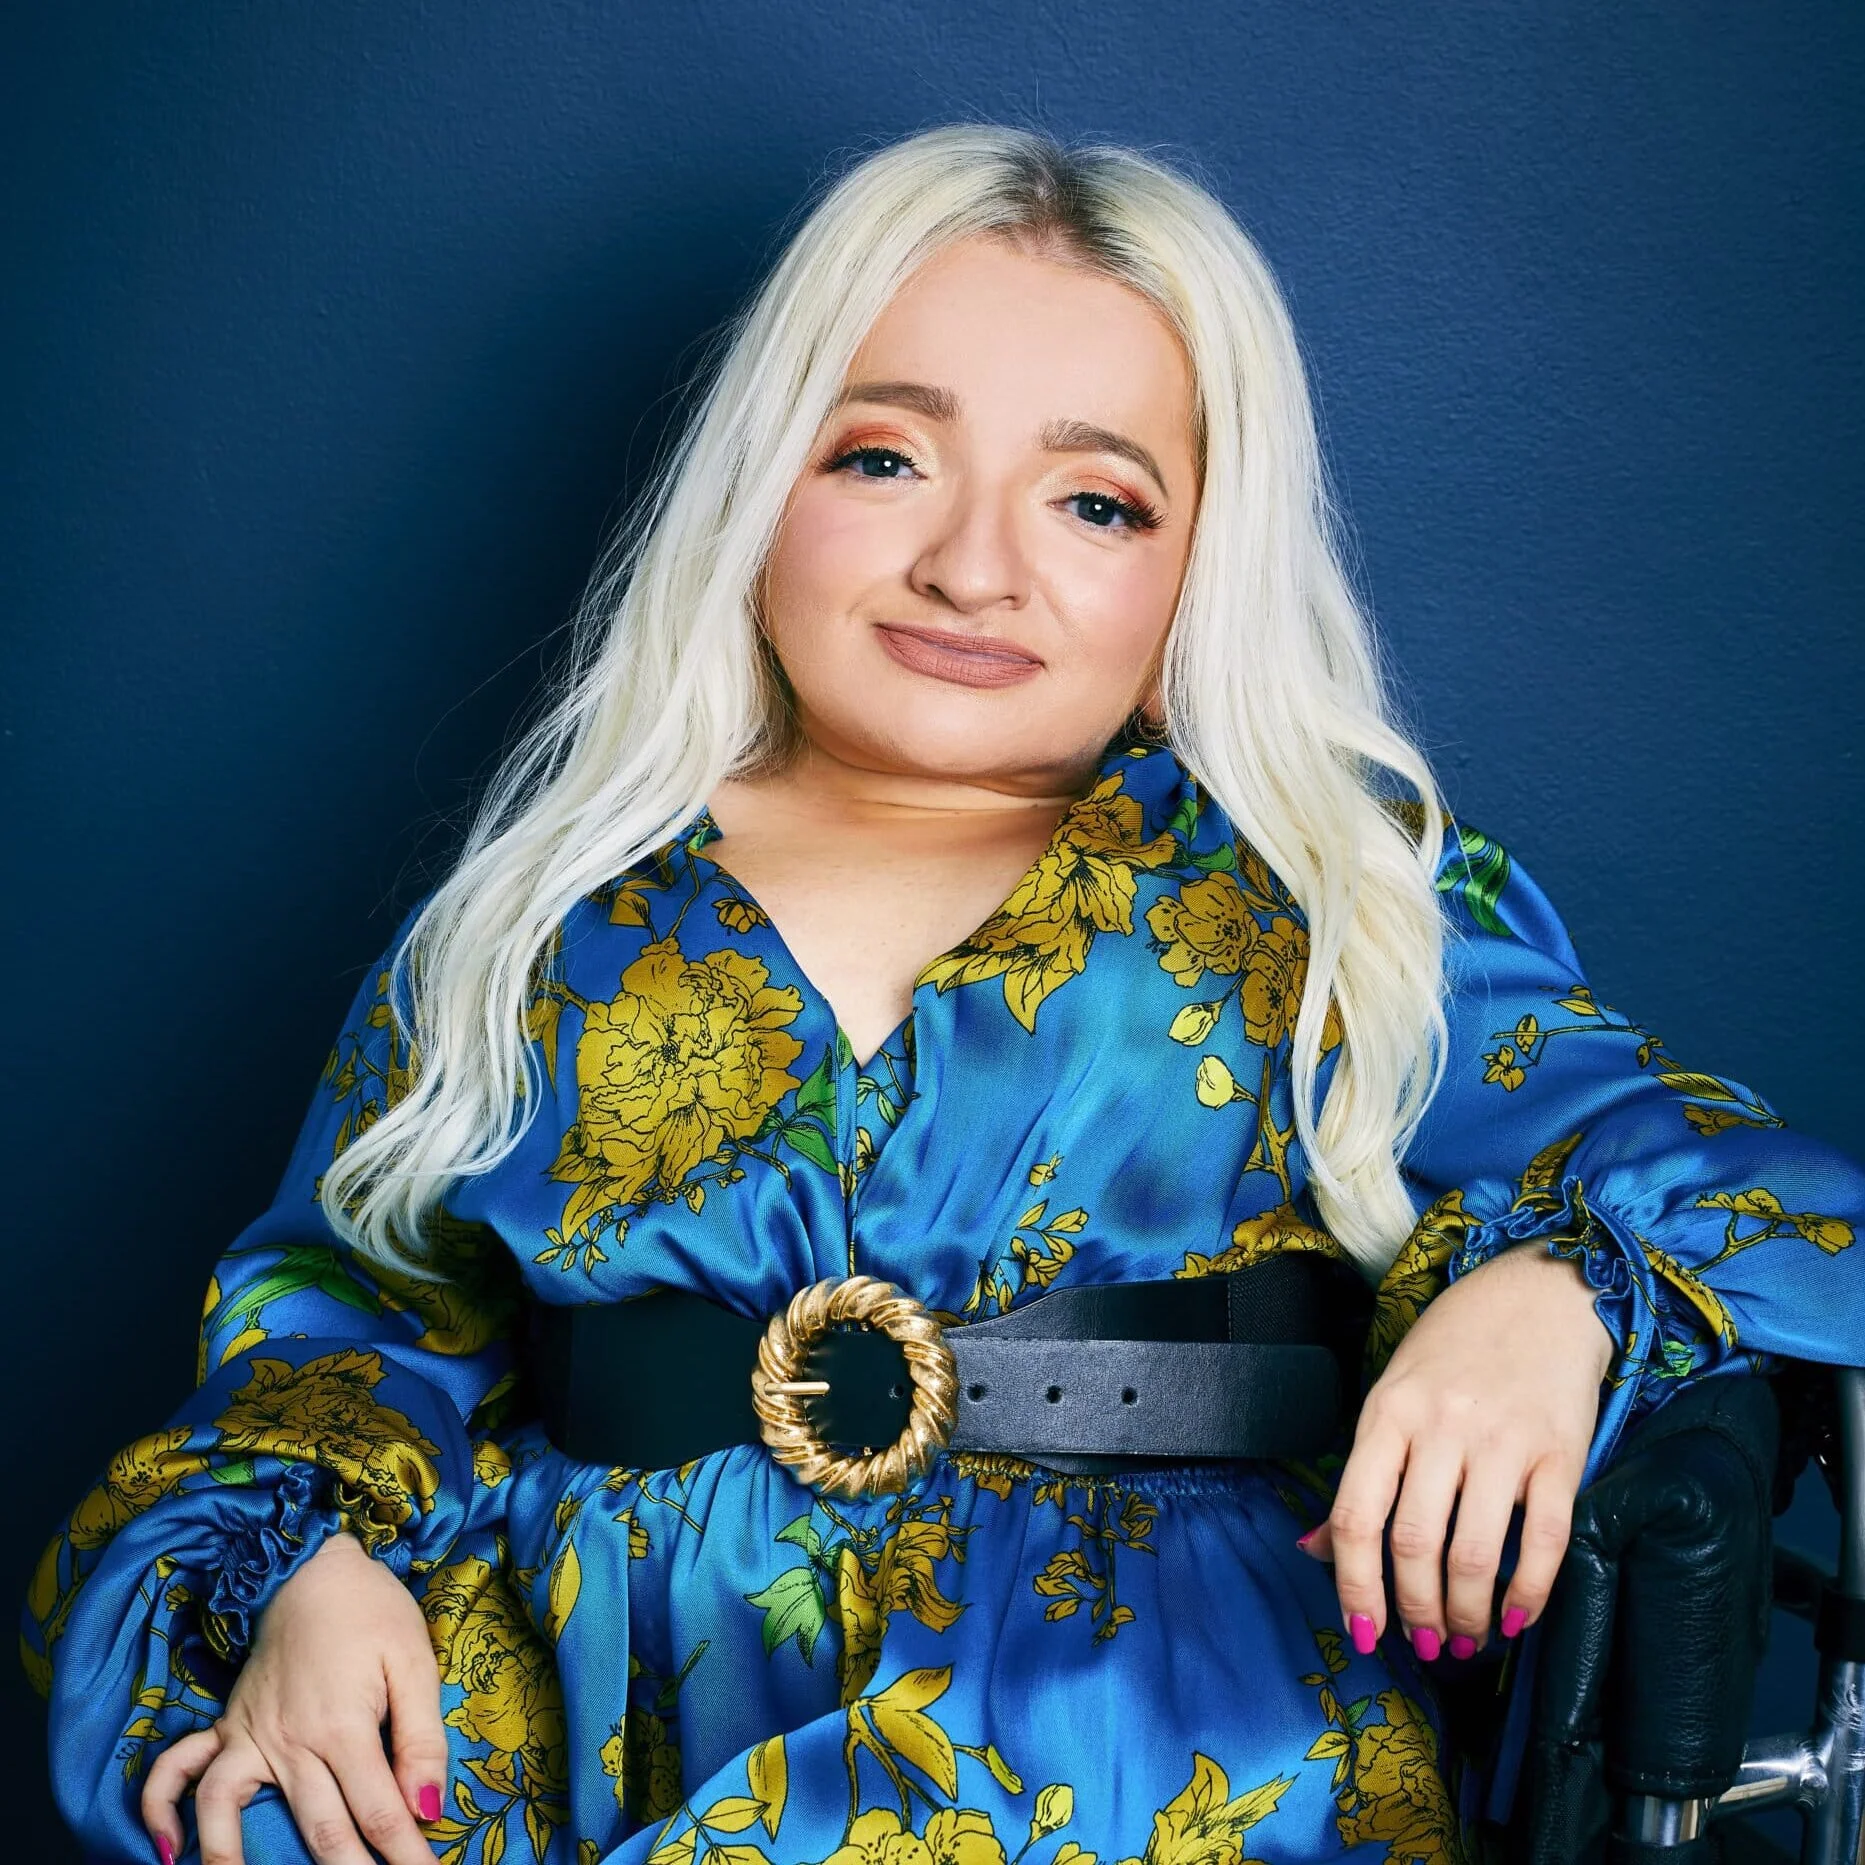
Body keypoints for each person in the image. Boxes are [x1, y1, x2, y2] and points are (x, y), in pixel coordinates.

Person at [22, 123, 1864, 1865]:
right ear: (758, 487)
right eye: (883, 457)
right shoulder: (537, 922)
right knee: (264, 1794)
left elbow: (1749, 1183)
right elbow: (342, 1309)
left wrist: (1561, 1288)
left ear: (1195, 568)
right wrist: (313, 1565)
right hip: (605, 1706)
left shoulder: (1326, 894)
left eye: (1095, 500)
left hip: (1136, 1728)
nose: (973, 566)